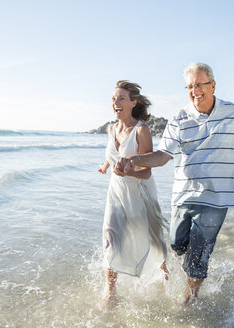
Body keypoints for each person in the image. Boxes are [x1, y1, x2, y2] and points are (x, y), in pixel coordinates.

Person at [115, 63, 234, 305]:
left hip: (217, 197)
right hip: (184, 195)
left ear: (212, 85)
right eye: (190, 86)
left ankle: (190, 299)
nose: (195, 90)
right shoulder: (179, 118)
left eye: (200, 85)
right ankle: (194, 269)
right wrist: (135, 160)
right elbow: (162, 155)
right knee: (177, 244)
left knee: (198, 254)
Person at [98, 80, 169, 307]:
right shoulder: (112, 128)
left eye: (120, 98)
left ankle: (165, 277)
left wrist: (130, 170)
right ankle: (111, 292)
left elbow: (147, 171)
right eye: (113, 99)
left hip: (141, 193)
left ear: (132, 102)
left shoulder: (141, 130)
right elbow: (114, 154)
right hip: (116, 193)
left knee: (155, 240)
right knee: (110, 238)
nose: (115, 103)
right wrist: (106, 166)